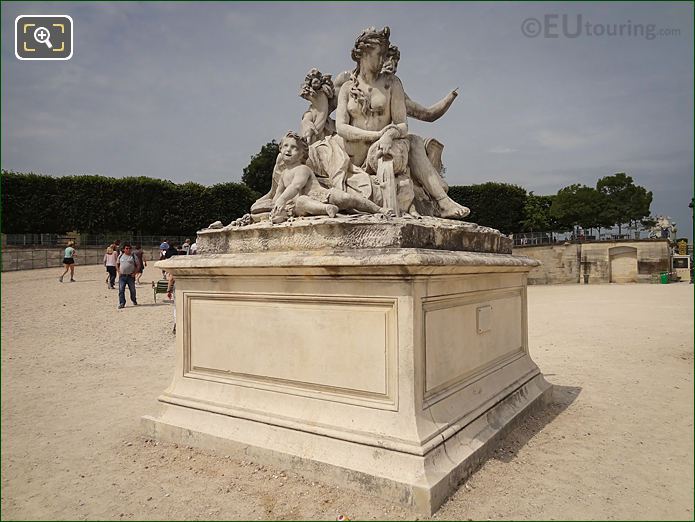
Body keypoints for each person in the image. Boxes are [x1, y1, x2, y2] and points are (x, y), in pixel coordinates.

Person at [334, 26, 469, 219]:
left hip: (383, 145)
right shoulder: (347, 87)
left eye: (384, 55)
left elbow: (403, 124)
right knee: (411, 143)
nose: (382, 61)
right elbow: (341, 127)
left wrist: (389, 134)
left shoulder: (392, 83)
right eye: (379, 55)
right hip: (354, 152)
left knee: (413, 140)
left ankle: (443, 201)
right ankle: (439, 196)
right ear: (363, 53)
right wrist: (377, 135)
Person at [268, 131, 390, 224]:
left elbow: (296, 186)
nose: (288, 150)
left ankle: (378, 209)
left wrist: (282, 200)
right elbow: (277, 195)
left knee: (348, 198)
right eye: (285, 146)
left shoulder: (302, 169)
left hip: (323, 195)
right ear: (280, 149)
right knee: (302, 201)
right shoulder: (284, 174)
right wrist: (274, 208)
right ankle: (327, 209)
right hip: (305, 203)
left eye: (294, 148)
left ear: (302, 154)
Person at [116, 243, 140, 309]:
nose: (128, 250)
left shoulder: (133, 256)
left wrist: (134, 273)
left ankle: (134, 300)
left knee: (132, 290)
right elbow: (117, 264)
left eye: (129, 248)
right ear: (124, 249)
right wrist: (118, 271)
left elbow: (138, 265)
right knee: (121, 290)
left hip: (130, 276)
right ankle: (122, 303)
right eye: (127, 248)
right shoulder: (120, 256)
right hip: (122, 276)